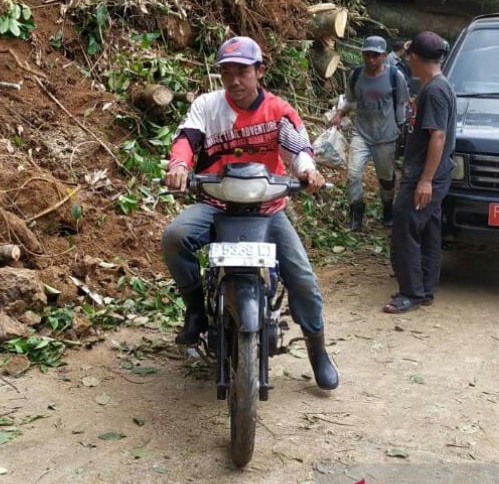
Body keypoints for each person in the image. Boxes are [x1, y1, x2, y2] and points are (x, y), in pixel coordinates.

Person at [161, 37, 339, 390]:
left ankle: (317, 349)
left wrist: (307, 172)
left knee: (303, 279)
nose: (234, 80)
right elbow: (186, 138)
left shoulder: (278, 111)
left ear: (259, 71)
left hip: (266, 211)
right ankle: (195, 308)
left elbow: (298, 148)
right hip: (216, 205)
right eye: (227, 72)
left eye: (242, 71)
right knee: (175, 238)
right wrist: (179, 164)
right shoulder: (207, 106)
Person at [385, 31, 456, 313]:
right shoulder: (438, 86)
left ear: (415, 56)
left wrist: (424, 180)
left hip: (429, 176)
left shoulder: (435, 91)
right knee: (428, 230)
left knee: (405, 227)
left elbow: (437, 137)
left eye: (409, 54)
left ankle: (411, 293)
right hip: (429, 172)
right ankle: (425, 289)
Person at [329, 36, 409, 230]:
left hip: (386, 136)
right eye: (367, 55)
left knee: (386, 178)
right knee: (353, 175)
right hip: (361, 134)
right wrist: (339, 113)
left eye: (375, 55)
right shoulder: (356, 75)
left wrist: (401, 127)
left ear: (383, 56)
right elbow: (350, 100)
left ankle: (388, 209)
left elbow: (402, 103)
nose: (370, 59)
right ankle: (356, 214)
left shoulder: (394, 76)